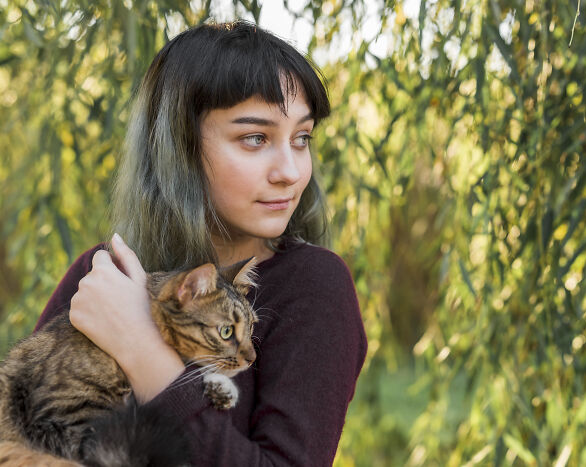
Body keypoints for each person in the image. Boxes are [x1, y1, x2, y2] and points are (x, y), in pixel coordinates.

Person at [34, 21, 367, 466]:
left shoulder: (313, 287)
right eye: (256, 138)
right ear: (180, 148)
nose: (290, 171)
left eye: (302, 138)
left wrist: (144, 354)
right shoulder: (104, 277)